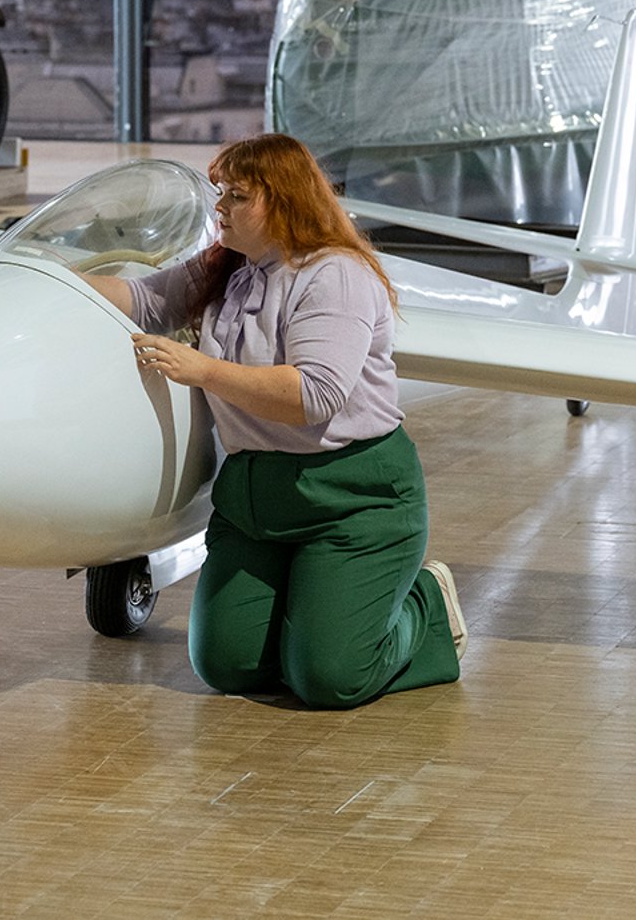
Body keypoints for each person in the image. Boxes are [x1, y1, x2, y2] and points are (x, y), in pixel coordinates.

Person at [81, 133, 464, 709]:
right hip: (256, 498)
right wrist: (45, 282)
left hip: (352, 498)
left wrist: (203, 370)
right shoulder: (227, 266)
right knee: (225, 664)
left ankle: (426, 605)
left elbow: (315, 395)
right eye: (220, 193)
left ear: (282, 200)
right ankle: (317, 608)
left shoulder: (334, 275)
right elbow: (144, 300)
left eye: (237, 195)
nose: (220, 208)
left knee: (330, 678)